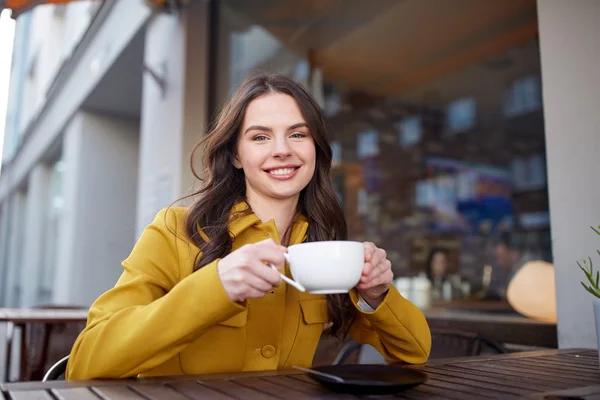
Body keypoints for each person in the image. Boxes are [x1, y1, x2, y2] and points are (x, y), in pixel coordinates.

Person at [65, 73, 431, 380]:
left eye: (298, 134)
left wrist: (377, 296)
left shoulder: (323, 249)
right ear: (236, 154)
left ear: (316, 148)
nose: (282, 150)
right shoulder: (177, 231)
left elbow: (415, 353)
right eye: (260, 137)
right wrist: (215, 286)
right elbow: (84, 363)